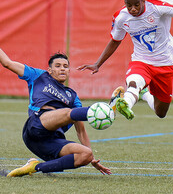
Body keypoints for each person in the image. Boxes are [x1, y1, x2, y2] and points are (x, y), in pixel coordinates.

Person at [78, 0, 173, 120]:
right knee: (134, 82)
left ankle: (145, 94)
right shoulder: (121, 18)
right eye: (128, 5)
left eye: (136, 4)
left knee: (161, 113)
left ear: (143, 0)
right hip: (141, 61)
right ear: (124, 2)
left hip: (164, 62)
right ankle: (126, 103)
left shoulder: (158, 7)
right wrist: (97, 64)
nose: (133, 9)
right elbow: (115, 40)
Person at [0, 48, 111, 177]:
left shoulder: (72, 96)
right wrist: (97, 112)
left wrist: (92, 160)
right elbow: (7, 63)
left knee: (85, 154)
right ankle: (100, 110)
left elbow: (81, 131)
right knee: (67, 112)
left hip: (51, 141)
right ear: (50, 70)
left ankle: (35, 167)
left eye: (65, 66)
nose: (62, 69)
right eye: (57, 66)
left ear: (69, 71)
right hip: (36, 127)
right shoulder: (38, 75)